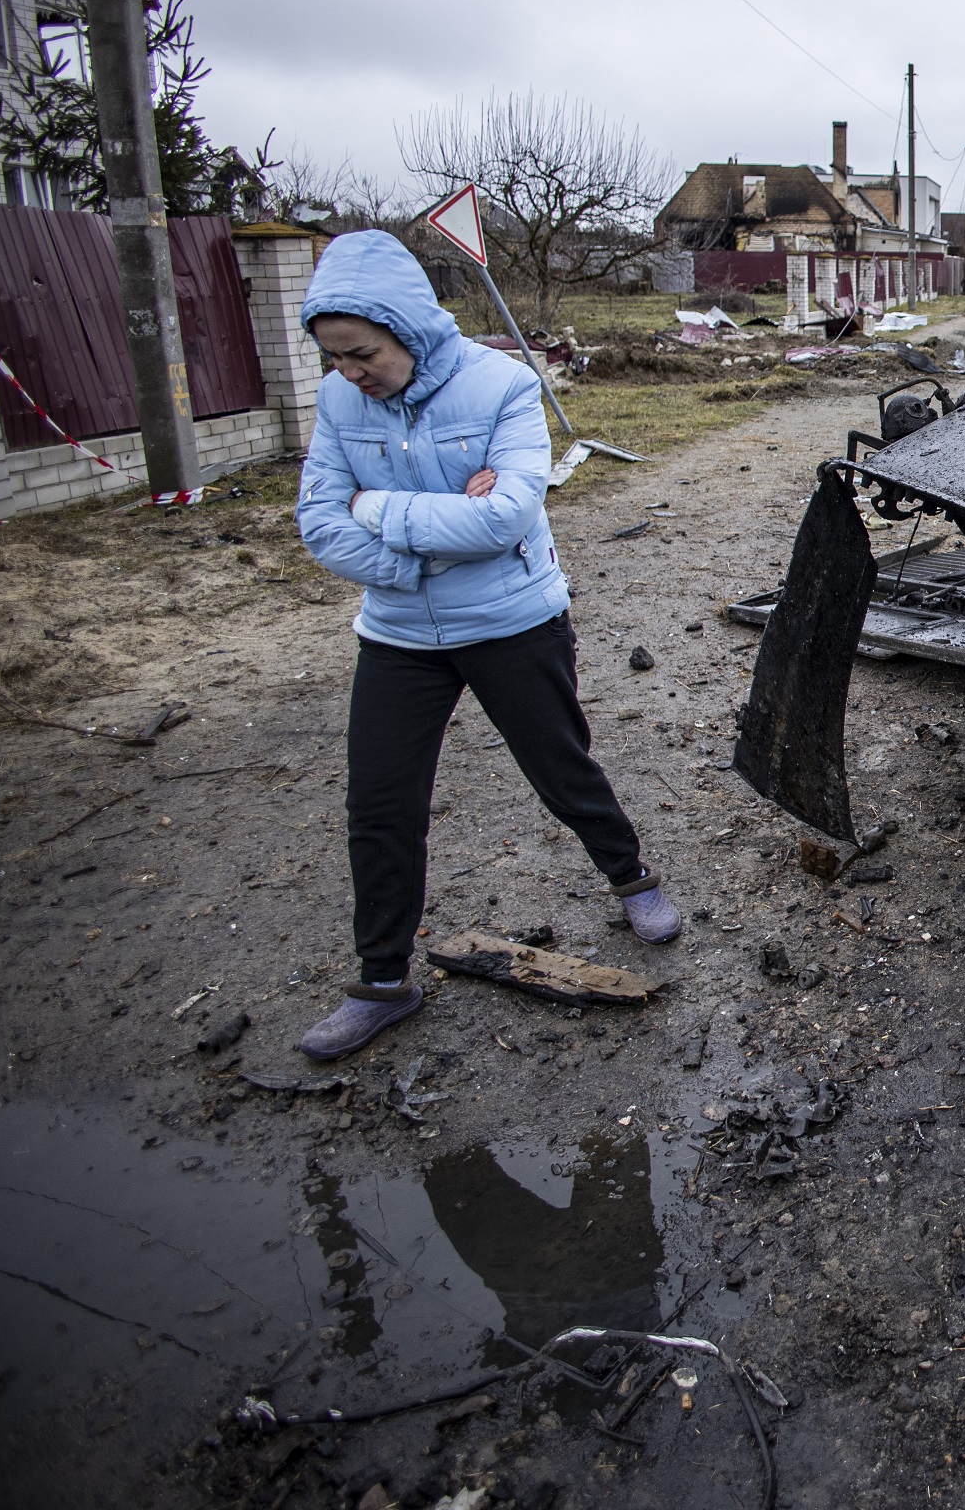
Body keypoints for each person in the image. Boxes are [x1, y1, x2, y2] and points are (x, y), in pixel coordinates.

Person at [292, 230, 682, 1061]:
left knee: (561, 766)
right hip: (398, 633)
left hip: (511, 619)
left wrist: (378, 507)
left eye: (362, 353)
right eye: (333, 358)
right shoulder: (338, 404)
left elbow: (506, 517)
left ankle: (632, 878)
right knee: (380, 807)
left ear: (407, 329)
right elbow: (319, 523)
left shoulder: (503, 383)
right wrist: (432, 534)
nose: (349, 373)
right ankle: (383, 982)